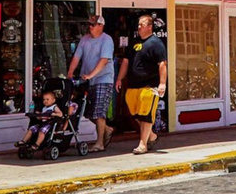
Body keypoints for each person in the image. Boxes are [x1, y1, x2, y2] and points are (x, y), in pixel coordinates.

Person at [115, 14, 167, 155]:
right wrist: (119, 78)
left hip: (149, 86)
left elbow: (162, 64)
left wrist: (162, 83)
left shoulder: (156, 43)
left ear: (150, 27)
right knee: (135, 113)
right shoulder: (134, 42)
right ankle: (151, 136)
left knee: (146, 116)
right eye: (138, 24)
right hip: (133, 86)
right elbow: (125, 62)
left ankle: (143, 144)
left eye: (142, 25)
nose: (139, 27)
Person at [67, 14, 115, 152]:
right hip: (87, 80)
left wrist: (91, 75)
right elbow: (77, 57)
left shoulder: (107, 40)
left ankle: (99, 143)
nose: (90, 27)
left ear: (101, 26)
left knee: (99, 112)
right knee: (87, 111)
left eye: (93, 25)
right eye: (89, 24)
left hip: (103, 79)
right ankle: (107, 129)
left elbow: (104, 60)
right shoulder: (85, 39)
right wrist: (70, 73)